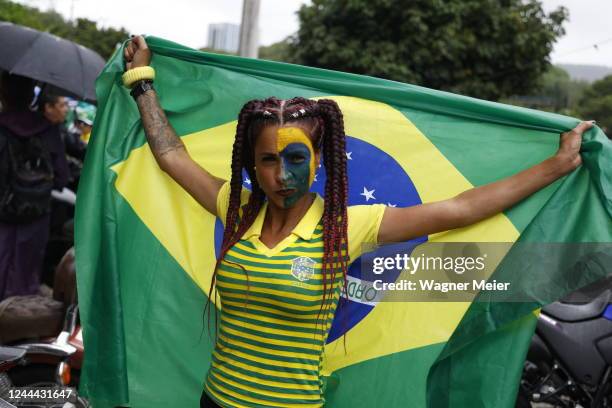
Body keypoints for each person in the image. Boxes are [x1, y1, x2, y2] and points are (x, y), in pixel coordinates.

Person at [123, 36, 594, 408]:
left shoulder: (346, 227)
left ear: (318, 160)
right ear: (250, 161)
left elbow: (461, 208)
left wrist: (554, 167)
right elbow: (171, 156)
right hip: (216, 400)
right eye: (268, 159)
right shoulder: (235, 207)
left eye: (295, 158)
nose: (282, 174)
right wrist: (142, 82)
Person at [0, 72, 70, 301]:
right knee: (25, 275)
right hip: (36, 215)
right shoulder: (48, 130)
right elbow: (61, 177)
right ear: (31, 94)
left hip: (3, 214)